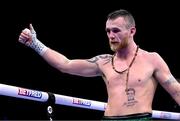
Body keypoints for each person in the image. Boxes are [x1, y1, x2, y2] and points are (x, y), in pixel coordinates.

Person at [18, 9, 180, 120]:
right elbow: (65, 64)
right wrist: (35, 44)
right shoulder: (104, 62)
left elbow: (176, 92)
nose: (111, 35)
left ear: (132, 31)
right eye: (108, 31)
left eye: (116, 30)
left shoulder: (152, 59)